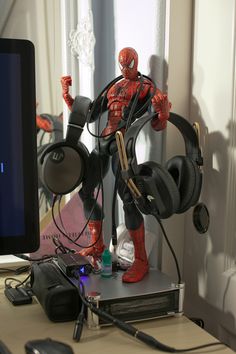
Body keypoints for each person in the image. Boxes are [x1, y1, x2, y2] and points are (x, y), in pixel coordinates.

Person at [61, 47, 171, 283]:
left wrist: (162, 113)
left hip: (123, 143)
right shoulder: (114, 86)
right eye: (121, 65)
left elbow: (157, 126)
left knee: (128, 199)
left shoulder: (146, 88)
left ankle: (141, 259)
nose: (124, 69)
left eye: (128, 65)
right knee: (86, 191)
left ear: (136, 62)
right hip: (103, 139)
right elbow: (90, 115)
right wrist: (67, 96)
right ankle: (97, 245)